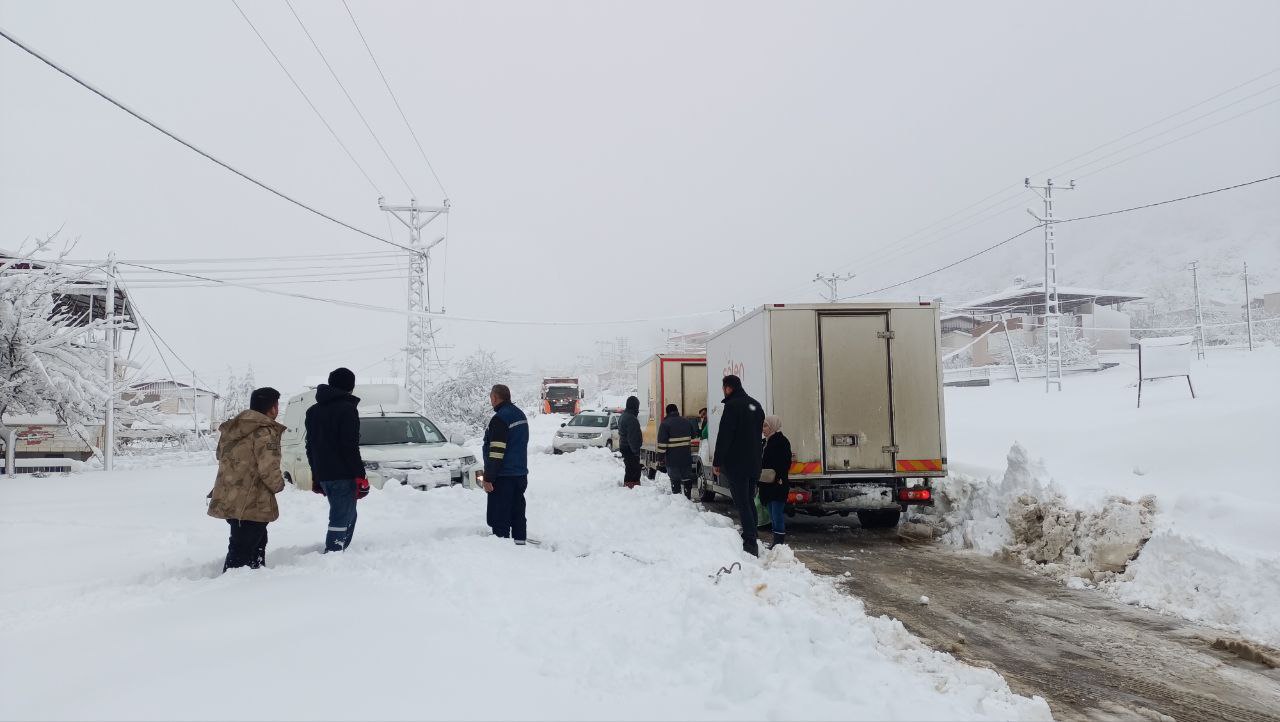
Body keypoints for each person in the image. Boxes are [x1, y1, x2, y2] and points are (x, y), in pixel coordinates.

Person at [207, 387, 286, 572]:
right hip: (252, 501)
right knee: (242, 552)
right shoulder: (264, 432)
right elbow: (269, 468)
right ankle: (232, 591)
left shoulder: (232, 428)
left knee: (251, 542)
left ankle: (253, 580)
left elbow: (220, 455)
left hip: (230, 497)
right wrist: (279, 485)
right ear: (273, 408)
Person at [305, 367, 369, 553]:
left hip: (324, 474)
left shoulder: (313, 411)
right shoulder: (347, 409)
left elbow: (311, 446)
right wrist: (360, 476)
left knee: (348, 514)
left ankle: (339, 552)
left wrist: (316, 475)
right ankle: (333, 555)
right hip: (343, 475)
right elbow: (349, 446)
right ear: (351, 386)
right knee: (341, 517)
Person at [712, 375, 765, 556]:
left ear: (728, 388)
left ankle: (750, 544)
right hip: (754, 463)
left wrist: (717, 461)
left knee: (742, 502)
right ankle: (753, 536)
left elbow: (724, 436)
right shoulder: (756, 405)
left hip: (737, 464)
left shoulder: (732, 407)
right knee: (749, 500)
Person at [482, 384, 530, 543]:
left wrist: (488, 478)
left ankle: (501, 550)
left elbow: (496, 452)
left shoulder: (500, 419)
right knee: (517, 513)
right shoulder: (520, 415)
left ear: (495, 398)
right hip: (520, 474)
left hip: (503, 477)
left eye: (491, 398)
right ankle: (520, 542)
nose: (491, 401)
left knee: (499, 517)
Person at [759, 415, 793, 548]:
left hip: (778, 483)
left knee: (776, 513)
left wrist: (779, 477)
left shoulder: (781, 442)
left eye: (765, 426)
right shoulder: (765, 442)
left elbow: (785, 462)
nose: (763, 429)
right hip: (767, 484)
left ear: (773, 426)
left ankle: (779, 543)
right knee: (771, 513)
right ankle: (776, 541)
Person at [657, 403, 696, 497]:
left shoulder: (665, 424)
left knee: (675, 480)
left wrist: (660, 459)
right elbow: (693, 435)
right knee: (687, 479)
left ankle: (678, 500)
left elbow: (662, 445)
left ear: (667, 412)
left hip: (672, 459)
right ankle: (688, 499)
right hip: (686, 458)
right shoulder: (686, 421)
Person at [617, 395, 643, 489]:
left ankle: (629, 486)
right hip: (630, 448)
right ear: (635, 406)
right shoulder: (631, 418)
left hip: (625, 446)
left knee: (630, 468)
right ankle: (632, 488)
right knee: (634, 470)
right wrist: (636, 451)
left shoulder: (624, 416)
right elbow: (633, 437)